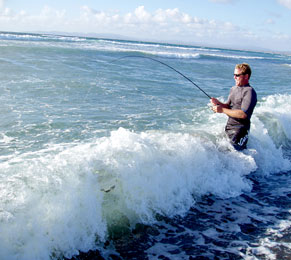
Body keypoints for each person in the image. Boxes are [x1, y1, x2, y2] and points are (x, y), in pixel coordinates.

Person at [211, 63, 257, 150]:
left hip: (241, 130)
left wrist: (222, 110)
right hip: (229, 127)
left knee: (235, 154)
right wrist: (218, 103)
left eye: (237, 75)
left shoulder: (249, 92)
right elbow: (228, 107)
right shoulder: (233, 89)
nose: (234, 77)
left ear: (246, 76)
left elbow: (243, 114)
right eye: (234, 75)